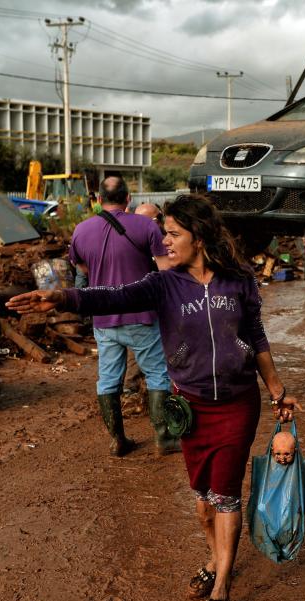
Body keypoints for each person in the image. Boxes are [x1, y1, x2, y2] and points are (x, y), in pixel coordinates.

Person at [7, 194, 301, 601]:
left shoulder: (238, 280)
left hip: (238, 405)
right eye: (164, 232)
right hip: (192, 407)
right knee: (203, 504)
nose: (164, 240)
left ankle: (221, 588)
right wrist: (61, 298)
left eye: (173, 233)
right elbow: (113, 296)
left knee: (225, 495)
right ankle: (214, 556)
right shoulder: (163, 284)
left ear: (198, 238)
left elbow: (256, 335)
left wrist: (277, 390)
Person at [68, 175, 178, 457]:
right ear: (129, 199)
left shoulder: (80, 231)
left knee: (107, 380)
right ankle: (163, 438)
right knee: (157, 374)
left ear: (97, 201)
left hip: (103, 317)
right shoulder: (145, 226)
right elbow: (166, 271)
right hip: (142, 315)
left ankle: (117, 439)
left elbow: (82, 270)